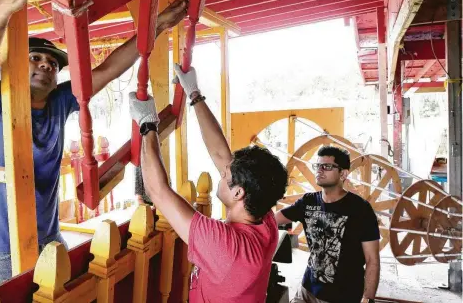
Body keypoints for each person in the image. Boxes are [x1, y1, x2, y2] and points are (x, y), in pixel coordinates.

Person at [0, 0, 188, 286]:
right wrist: (6, 4)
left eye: (52, 64)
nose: (45, 66)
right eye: (35, 58)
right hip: (3, 246)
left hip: (48, 238)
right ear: (18, 65)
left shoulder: (60, 100)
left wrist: (154, 26)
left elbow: (108, 69)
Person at [128, 64, 288, 302]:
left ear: (238, 194)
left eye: (225, 176)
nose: (221, 173)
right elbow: (223, 156)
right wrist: (194, 93)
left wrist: (148, 124)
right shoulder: (264, 219)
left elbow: (158, 192)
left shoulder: (225, 246)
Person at [275, 146, 380, 303]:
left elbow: (372, 260)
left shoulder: (360, 209)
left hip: (343, 296)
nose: (319, 170)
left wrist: (368, 298)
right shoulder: (307, 202)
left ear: (343, 174)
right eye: (317, 166)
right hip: (307, 289)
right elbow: (272, 220)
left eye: (327, 166)